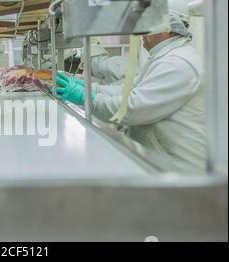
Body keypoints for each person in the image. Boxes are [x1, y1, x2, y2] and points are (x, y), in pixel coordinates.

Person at [55, 15, 206, 173]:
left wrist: (86, 98)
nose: (141, 33)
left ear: (167, 28)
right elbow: (127, 90)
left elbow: (132, 108)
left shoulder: (176, 63)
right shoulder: (164, 57)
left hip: (179, 171)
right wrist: (89, 89)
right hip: (160, 162)